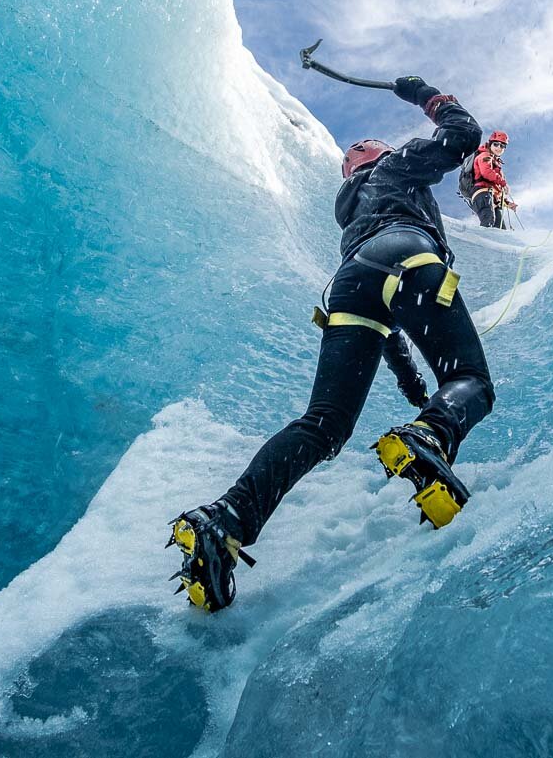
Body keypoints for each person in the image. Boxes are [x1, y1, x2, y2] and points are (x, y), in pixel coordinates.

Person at [168, 77, 497, 612]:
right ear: (376, 158)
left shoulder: (350, 211)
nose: (357, 148)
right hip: (409, 255)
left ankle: (226, 519)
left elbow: (387, 332)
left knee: (323, 424)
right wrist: (423, 94)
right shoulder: (397, 166)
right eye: (359, 148)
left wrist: (414, 388)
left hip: (350, 282)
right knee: (471, 383)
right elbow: (465, 135)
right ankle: (432, 436)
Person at [461, 130, 517, 228]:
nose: (499, 148)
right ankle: (481, 242)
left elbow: (496, 189)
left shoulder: (495, 162)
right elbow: (486, 172)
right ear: (490, 144)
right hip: (483, 195)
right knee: (489, 220)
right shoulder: (485, 156)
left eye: (502, 146)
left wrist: (507, 203)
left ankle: (494, 242)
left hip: (491, 197)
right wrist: (504, 183)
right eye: (496, 144)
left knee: (500, 228)